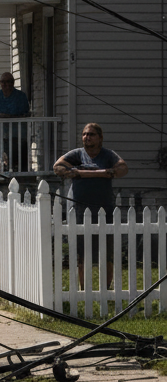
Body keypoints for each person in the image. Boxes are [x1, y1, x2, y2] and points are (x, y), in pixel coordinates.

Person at [53, 123, 128, 287]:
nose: (87, 137)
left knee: (106, 253)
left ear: (100, 138)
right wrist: (78, 172)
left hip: (105, 209)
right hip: (79, 210)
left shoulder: (107, 155)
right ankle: (83, 289)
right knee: (82, 254)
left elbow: (122, 168)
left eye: (91, 134)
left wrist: (84, 173)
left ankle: (106, 289)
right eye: (85, 134)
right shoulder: (77, 154)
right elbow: (57, 166)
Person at [0, 72, 30, 172]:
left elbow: (26, 113)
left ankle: (17, 173)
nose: (5, 84)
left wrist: (10, 116)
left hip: (17, 132)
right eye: (3, 82)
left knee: (16, 156)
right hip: (0, 131)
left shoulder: (20, 96)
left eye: (8, 82)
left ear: (13, 83)